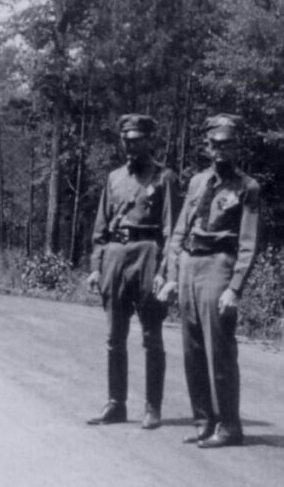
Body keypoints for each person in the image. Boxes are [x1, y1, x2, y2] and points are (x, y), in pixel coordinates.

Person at [157, 114, 260, 448]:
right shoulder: (198, 182)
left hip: (218, 264)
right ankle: (204, 420)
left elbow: (248, 243)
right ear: (206, 146)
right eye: (215, 144)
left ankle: (229, 426)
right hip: (189, 265)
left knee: (220, 350)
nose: (221, 151)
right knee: (192, 349)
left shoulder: (247, 188)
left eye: (227, 144)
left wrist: (235, 288)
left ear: (237, 146)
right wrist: (172, 275)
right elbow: (178, 231)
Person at [86, 114, 179, 429]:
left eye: (137, 139)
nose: (131, 144)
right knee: (114, 337)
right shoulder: (113, 178)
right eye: (126, 139)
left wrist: (165, 271)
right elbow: (100, 228)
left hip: (148, 255)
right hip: (115, 256)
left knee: (152, 337)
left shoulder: (164, 178)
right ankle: (116, 404)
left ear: (149, 141)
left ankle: (153, 407)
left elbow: (172, 231)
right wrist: (96, 268)